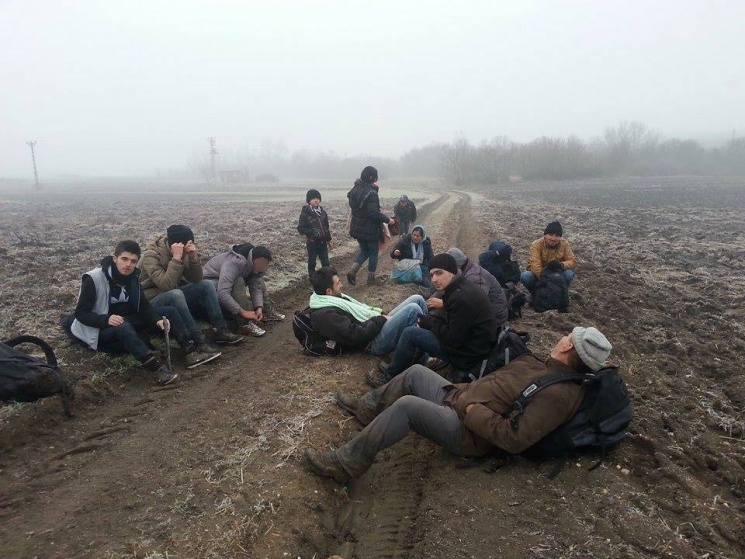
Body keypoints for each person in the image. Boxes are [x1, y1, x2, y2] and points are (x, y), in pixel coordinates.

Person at [304, 326, 612, 482]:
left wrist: (473, 412)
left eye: (567, 335)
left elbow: (515, 438)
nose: (562, 336)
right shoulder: (544, 366)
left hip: (468, 432)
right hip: (459, 399)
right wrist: (463, 392)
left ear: (568, 344)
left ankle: (346, 464)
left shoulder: (559, 394)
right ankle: (366, 409)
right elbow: (495, 386)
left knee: (407, 406)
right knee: (415, 373)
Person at [66, 241, 220, 385]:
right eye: (124, 259)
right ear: (115, 259)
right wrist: (106, 319)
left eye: (133, 261)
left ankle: (190, 352)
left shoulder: (133, 276)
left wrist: (157, 319)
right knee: (123, 326)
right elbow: (81, 313)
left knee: (169, 312)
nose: (128, 264)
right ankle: (156, 369)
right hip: (98, 328)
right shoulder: (94, 279)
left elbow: (143, 306)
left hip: (125, 319)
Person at [372, 253, 497, 387]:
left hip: (467, 355)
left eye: (439, 273)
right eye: (432, 275)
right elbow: (453, 319)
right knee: (423, 326)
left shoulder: (460, 297)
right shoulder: (461, 287)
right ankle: (410, 363)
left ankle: (390, 376)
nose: (434, 279)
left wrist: (430, 323)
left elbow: (453, 339)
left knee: (410, 334)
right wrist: (430, 320)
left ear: (452, 272)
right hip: (473, 345)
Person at [139, 224, 243, 346]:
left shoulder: (183, 253)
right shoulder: (151, 256)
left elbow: (196, 278)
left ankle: (220, 329)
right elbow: (166, 285)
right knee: (176, 294)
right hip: (150, 300)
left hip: (173, 293)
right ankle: (196, 338)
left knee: (206, 285)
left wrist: (193, 258)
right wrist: (176, 258)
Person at [308, 266, 427, 356]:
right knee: (413, 309)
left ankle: (427, 344)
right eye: (338, 283)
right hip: (371, 342)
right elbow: (355, 335)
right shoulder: (325, 315)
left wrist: (380, 317)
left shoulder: (332, 299)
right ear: (328, 291)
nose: (342, 285)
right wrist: (381, 319)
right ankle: (423, 356)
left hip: (373, 328)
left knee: (418, 299)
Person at [203, 244, 285, 338]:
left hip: (222, 287)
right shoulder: (234, 263)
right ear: (253, 260)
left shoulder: (254, 264)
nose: (264, 266)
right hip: (209, 292)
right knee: (239, 280)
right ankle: (244, 324)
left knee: (259, 279)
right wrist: (242, 312)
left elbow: (256, 287)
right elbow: (222, 293)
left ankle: (265, 312)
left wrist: (259, 307)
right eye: (262, 263)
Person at [346, 166, 394, 286]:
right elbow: (373, 213)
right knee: (373, 252)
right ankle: (371, 278)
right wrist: (388, 220)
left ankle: (352, 270)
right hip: (370, 229)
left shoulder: (355, 189)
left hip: (357, 227)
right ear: (372, 177)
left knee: (364, 250)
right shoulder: (371, 193)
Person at [440, 247, 508, 326]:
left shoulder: (474, 277)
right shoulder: (466, 268)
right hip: (487, 311)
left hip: (494, 317)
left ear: (456, 265)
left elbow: (476, 304)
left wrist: (444, 304)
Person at [520, 221, 576, 293]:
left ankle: (561, 292)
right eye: (550, 234)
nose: (553, 238)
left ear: (560, 237)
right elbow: (535, 266)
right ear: (545, 235)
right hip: (540, 275)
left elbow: (572, 261)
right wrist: (547, 280)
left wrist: (561, 265)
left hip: (557, 273)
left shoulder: (565, 244)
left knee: (569, 274)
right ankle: (535, 294)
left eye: (557, 236)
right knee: (525, 276)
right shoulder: (536, 245)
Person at [297, 188, 332, 280]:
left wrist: (329, 240)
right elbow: (301, 228)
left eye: (318, 198)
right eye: (313, 198)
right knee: (312, 262)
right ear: (309, 200)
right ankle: (312, 279)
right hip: (312, 243)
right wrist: (312, 232)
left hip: (323, 242)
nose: (316, 200)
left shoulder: (323, 213)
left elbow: (326, 227)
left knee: (326, 262)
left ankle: (327, 279)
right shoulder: (305, 214)